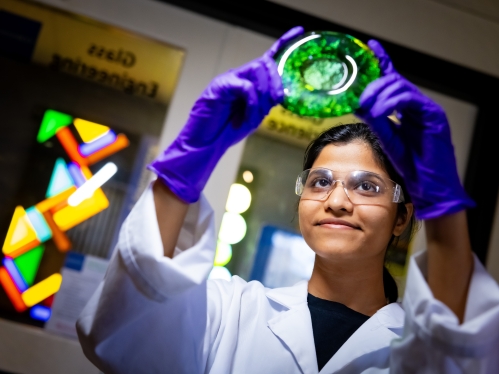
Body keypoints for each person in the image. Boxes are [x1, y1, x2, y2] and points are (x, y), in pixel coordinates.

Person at [77, 27, 499, 373]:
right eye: (320, 182)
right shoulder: (231, 311)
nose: (336, 201)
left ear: (402, 216)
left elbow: (460, 354)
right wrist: (185, 166)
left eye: (366, 186)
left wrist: (445, 209)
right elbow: (119, 334)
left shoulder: (417, 344)